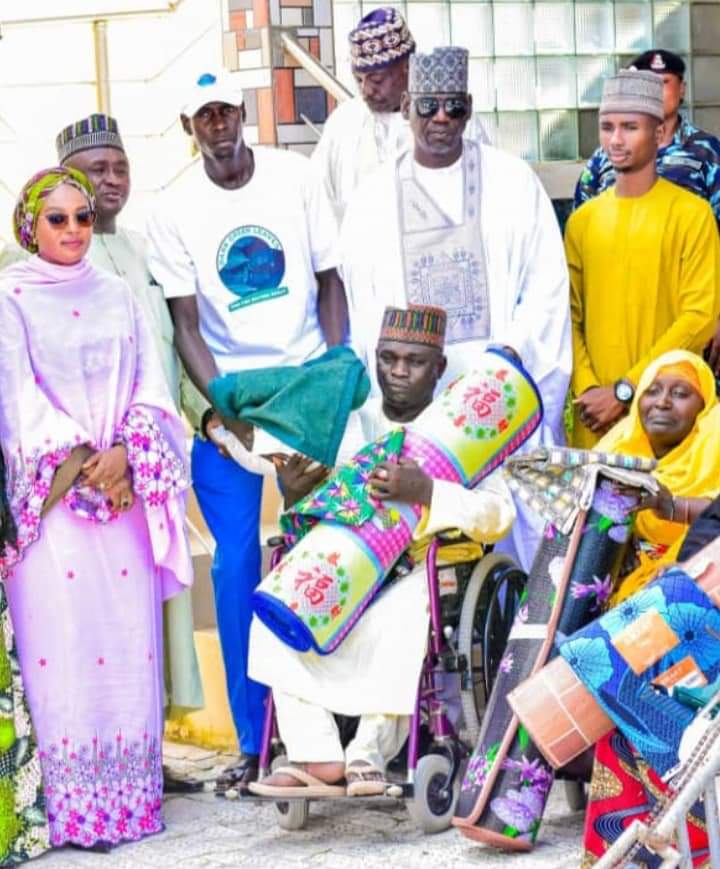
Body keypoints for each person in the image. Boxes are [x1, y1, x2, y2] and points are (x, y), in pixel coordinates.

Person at [146, 70, 348, 794]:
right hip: (228, 409)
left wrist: (330, 380)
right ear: (188, 127)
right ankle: (251, 740)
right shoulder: (172, 208)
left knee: (328, 557)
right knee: (237, 572)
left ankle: (335, 733)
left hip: (306, 399)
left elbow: (330, 282)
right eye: (205, 116)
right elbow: (185, 322)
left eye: (228, 110)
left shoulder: (294, 178)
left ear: (243, 112)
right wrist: (225, 409)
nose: (220, 125)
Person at [247, 305, 516, 797]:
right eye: (388, 358)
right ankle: (316, 753)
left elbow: (499, 514)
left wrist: (428, 492)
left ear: (438, 368)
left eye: (414, 362)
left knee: (406, 612)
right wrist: (291, 490)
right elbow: (313, 506)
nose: (397, 371)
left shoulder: (462, 429)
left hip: (418, 568)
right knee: (274, 609)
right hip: (346, 567)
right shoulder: (347, 423)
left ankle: (368, 752)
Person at [0, 167, 194, 849]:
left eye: (83, 216)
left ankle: (127, 805)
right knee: (65, 649)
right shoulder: (10, 296)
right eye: (58, 219)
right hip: (55, 508)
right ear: (30, 225)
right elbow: (16, 398)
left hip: (122, 501)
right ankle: (68, 812)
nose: (75, 230)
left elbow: (151, 381)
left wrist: (127, 452)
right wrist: (84, 458)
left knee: (123, 649)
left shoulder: (116, 294)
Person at [339, 46, 571, 572]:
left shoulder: (514, 183)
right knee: (423, 547)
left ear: (468, 108)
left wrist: (509, 364)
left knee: (512, 535)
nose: (441, 119)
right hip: (415, 397)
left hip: (500, 393)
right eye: (427, 106)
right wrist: (400, 391)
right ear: (405, 107)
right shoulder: (371, 200)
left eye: (454, 106)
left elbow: (546, 291)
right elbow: (364, 310)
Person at [55, 113, 204, 793]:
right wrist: (95, 456)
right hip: (88, 475)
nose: (111, 182)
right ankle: (97, 751)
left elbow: (177, 341)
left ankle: (148, 745)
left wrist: (205, 421)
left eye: (120, 168)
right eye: (96, 170)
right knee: (100, 619)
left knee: (155, 611)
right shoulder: (45, 267)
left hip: (156, 457)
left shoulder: (146, 250)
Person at [581, 349, 720, 866]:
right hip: (693, 604)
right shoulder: (624, 452)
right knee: (618, 670)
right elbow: (707, 537)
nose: (661, 403)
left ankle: (688, 841)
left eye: (679, 392)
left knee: (657, 687)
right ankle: (626, 847)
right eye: (654, 391)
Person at [567, 70, 720, 450]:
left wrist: (628, 389)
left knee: (668, 504)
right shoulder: (582, 222)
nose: (615, 140)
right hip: (596, 416)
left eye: (630, 127)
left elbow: (698, 317)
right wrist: (591, 390)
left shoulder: (693, 214)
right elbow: (567, 315)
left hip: (667, 413)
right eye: (607, 127)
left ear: (659, 132)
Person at [313, 8, 488, 221]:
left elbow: (484, 192)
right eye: (359, 79)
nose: (366, 90)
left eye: (376, 80)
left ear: (408, 67)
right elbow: (317, 199)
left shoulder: (450, 117)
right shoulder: (343, 123)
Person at [575, 50, 720, 224]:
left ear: (681, 89)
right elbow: (582, 216)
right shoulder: (609, 153)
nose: (655, 91)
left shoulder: (706, 150)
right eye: (647, 84)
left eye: (664, 82)